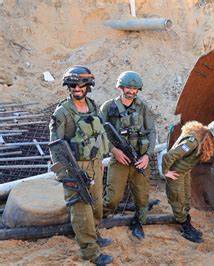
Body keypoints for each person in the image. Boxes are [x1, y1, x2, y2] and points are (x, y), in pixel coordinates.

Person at [49, 66, 113, 265]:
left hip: (94, 164)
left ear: (88, 86)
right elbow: (55, 146)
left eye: (80, 84)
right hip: (75, 167)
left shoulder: (93, 106)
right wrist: (64, 174)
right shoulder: (62, 113)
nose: (76, 88)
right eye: (72, 85)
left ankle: (94, 235)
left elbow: (97, 134)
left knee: (96, 205)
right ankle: (90, 252)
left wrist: (99, 162)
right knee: (81, 210)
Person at [100, 71, 156, 240]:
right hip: (119, 159)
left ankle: (138, 222)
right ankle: (102, 217)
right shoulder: (108, 107)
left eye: (135, 88)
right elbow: (100, 133)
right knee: (113, 197)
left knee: (142, 196)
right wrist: (113, 151)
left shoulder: (143, 107)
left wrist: (147, 155)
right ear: (121, 87)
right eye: (128, 87)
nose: (131, 91)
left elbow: (152, 131)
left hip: (139, 159)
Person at [163, 119, 214, 243]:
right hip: (176, 173)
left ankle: (186, 223)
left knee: (186, 198)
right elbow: (169, 156)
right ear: (213, 136)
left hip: (184, 171)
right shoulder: (193, 142)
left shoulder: (203, 137)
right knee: (178, 199)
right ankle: (185, 227)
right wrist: (166, 172)